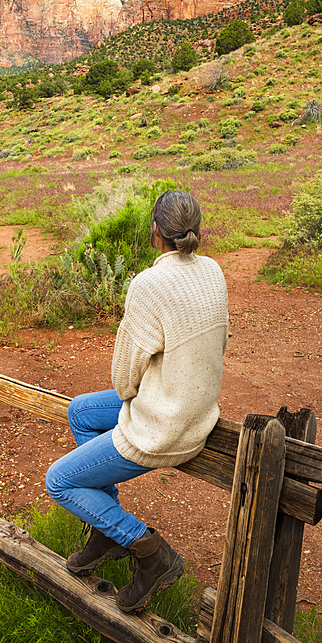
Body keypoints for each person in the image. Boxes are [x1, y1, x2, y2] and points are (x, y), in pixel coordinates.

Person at [45, 189, 229, 613]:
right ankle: (104, 529)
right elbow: (220, 342)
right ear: (196, 230)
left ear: (155, 232)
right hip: (197, 411)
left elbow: (125, 379)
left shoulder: (149, 283)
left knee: (61, 481)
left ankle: (148, 551)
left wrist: (138, 398)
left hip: (165, 425)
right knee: (81, 412)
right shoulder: (213, 272)